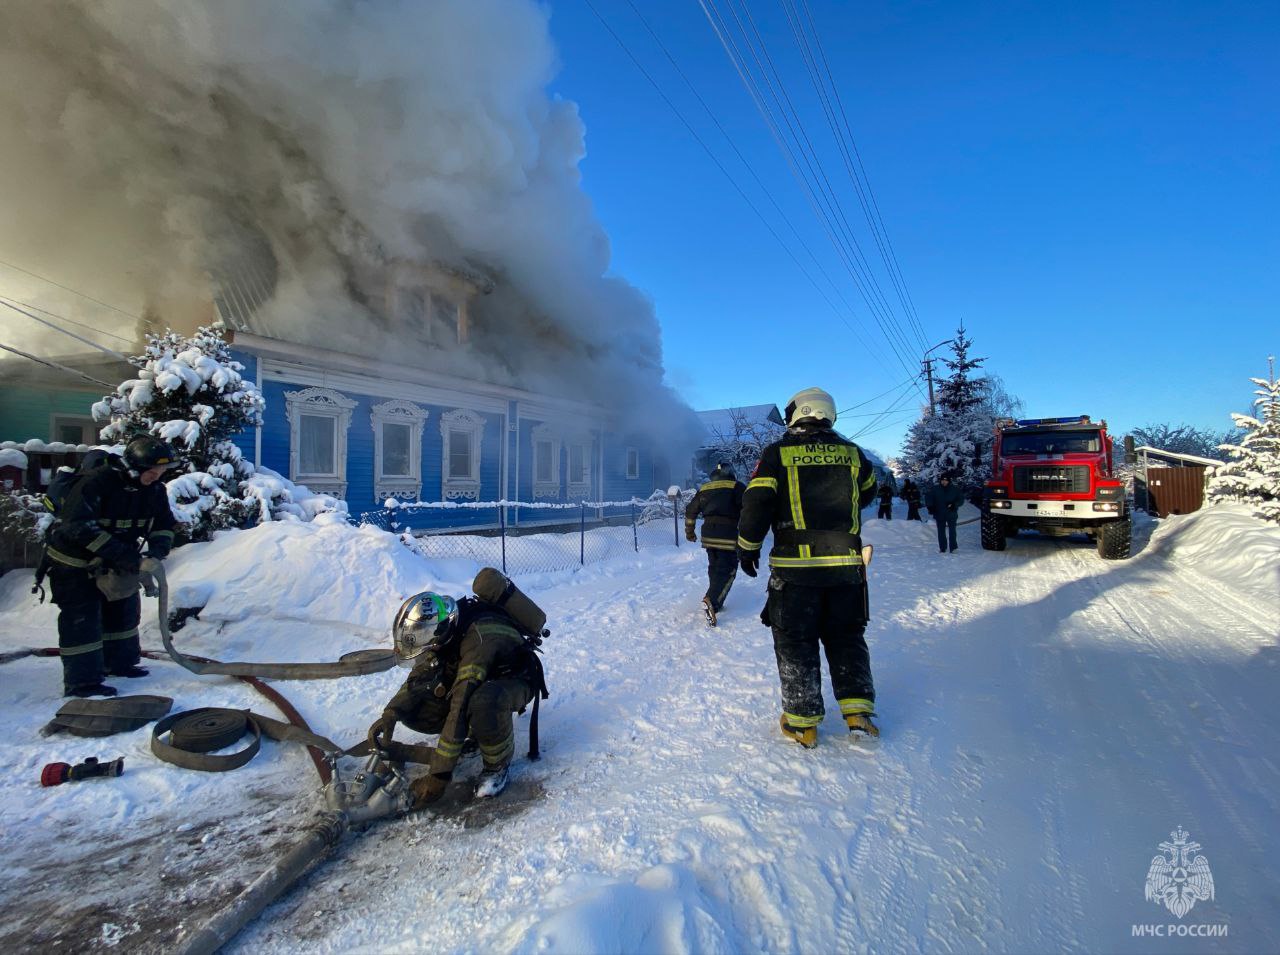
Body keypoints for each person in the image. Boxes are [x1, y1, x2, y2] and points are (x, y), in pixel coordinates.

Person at [736, 386, 880, 747]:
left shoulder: (777, 453)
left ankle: (803, 725)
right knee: (847, 636)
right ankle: (857, 711)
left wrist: (748, 546)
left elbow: (757, 501)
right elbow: (868, 492)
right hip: (846, 570)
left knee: (796, 642)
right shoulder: (852, 453)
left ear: (798, 413)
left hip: (796, 572)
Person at [372, 587, 547, 805]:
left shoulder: (478, 641)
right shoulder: (445, 628)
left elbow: (461, 701)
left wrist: (439, 775)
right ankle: (476, 733)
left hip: (515, 679)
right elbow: (421, 675)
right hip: (485, 675)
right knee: (425, 697)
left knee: (482, 701)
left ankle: (497, 767)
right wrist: (391, 712)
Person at [42, 436, 179, 698]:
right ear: (134, 468)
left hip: (116, 563)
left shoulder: (154, 490)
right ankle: (83, 683)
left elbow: (164, 524)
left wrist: (156, 552)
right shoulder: (95, 484)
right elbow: (80, 528)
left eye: (161, 473)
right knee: (83, 620)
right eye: (152, 472)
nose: (157, 477)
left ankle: (120, 663)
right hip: (74, 565)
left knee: (123, 612)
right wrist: (125, 556)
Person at [684, 462, 746, 626]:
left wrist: (690, 532)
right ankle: (711, 600)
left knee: (715, 566)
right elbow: (749, 509)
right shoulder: (737, 487)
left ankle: (715, 600)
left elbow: (691, 511)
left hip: (709, 536)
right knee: (729, 570)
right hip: (728, 535)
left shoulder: (704, 488)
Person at [926, 473, 965, 553]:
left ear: (949, 481)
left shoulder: (955, 489)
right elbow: (929, 498)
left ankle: (953, 548)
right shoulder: (935, 489)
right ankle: (942, 548)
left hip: (951, 514)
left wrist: (954, 504)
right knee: (941, 532)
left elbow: (961, 500)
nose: (944, 482)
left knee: (952, 531)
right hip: (939, 513)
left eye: (946, 480)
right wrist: (930, 507)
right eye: (942, 480)